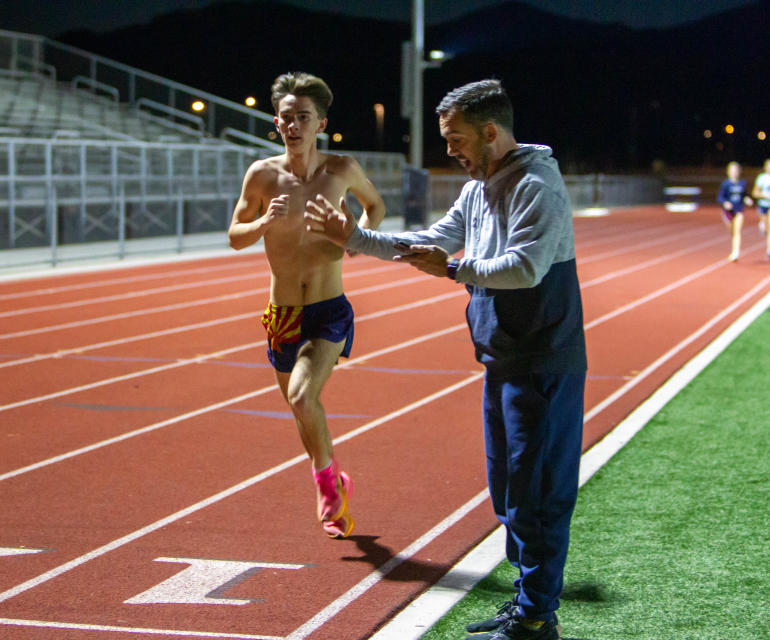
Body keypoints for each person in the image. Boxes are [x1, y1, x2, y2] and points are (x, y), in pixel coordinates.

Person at [305, 79, 585, 640]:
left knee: (537, 495)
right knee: (509, 493)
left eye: (456, 138)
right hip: (503, 358)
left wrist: (453, 268)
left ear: (490, 131)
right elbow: (432, 239)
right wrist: (355, 238)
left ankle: (536, 619)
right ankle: (526, 604)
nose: (450, 150)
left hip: (542, 359)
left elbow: (525, 268)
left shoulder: (537, 183)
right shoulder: (479, 188)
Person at [227, 72, 385, 538]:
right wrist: (260, 225)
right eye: (287, 118)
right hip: (282, 316)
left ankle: (327, 492)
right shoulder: (261, 175)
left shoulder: (341, 170)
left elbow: (375, 205)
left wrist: (356, 237)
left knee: (301, 394)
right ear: (276, 123)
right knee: (301, 408)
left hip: (327, 309)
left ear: (321, 123)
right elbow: (234, 236)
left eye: (304, 118)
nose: (294, 126)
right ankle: (332, 475)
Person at [716, 161, 753, 261]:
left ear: (739, 172)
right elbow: (720, 197)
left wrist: (747, 199)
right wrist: (725, 203)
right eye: (732, 170)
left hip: (739, 210)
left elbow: (744, 195)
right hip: (728, 211)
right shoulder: (725, 184)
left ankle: (735, 251)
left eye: (736, 170)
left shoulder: (742, 183)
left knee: (737, 231)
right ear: (728, 172)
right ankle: (734, 248)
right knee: (732, 231)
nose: (734, 172)